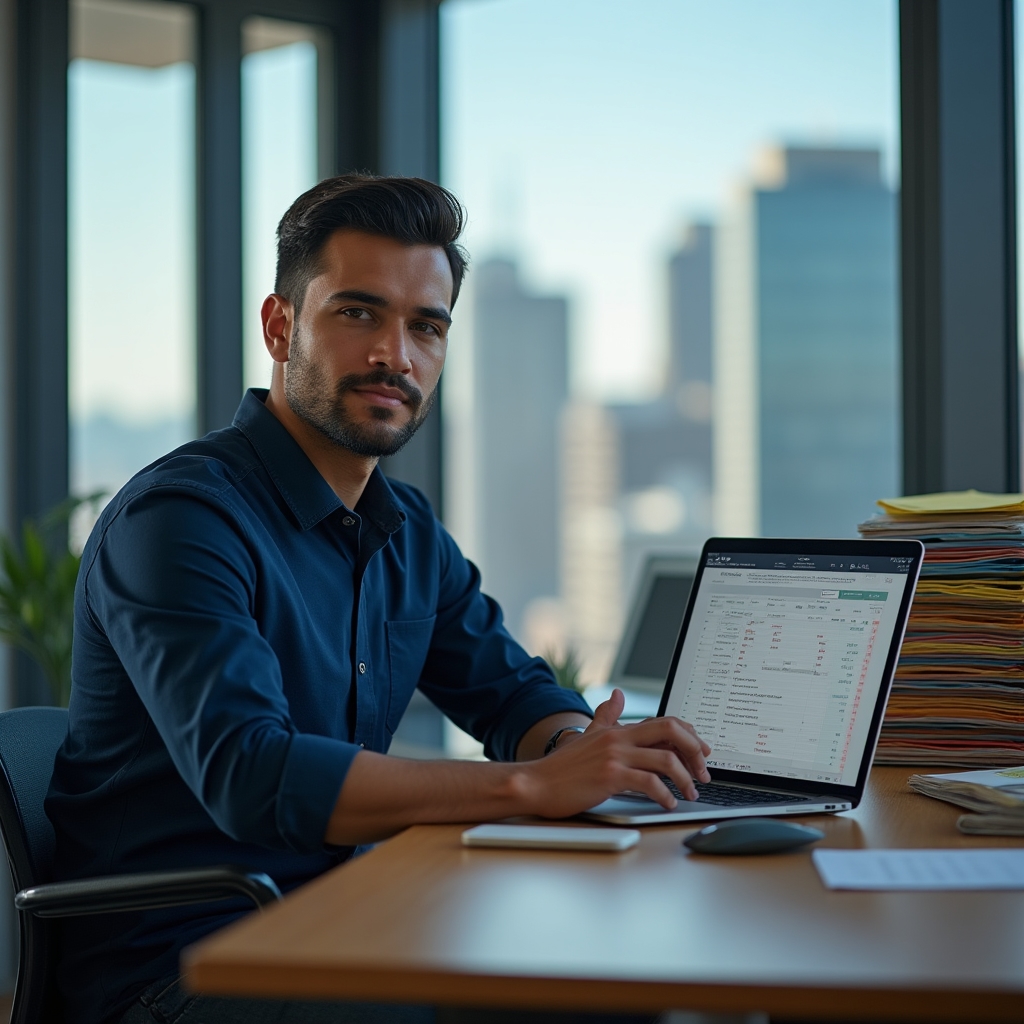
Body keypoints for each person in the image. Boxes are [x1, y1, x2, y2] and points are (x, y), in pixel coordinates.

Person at [45, 175, 711, 1024]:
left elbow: (510, 691)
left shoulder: (404, 529)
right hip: (187, 972)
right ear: (280, 327)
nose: (396, 355)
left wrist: (586, 752)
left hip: (349, 920)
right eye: (359, 313)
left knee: (613, 983)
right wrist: (530, 790)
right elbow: (252, 773)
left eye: (425, 326)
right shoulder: (181, 521)